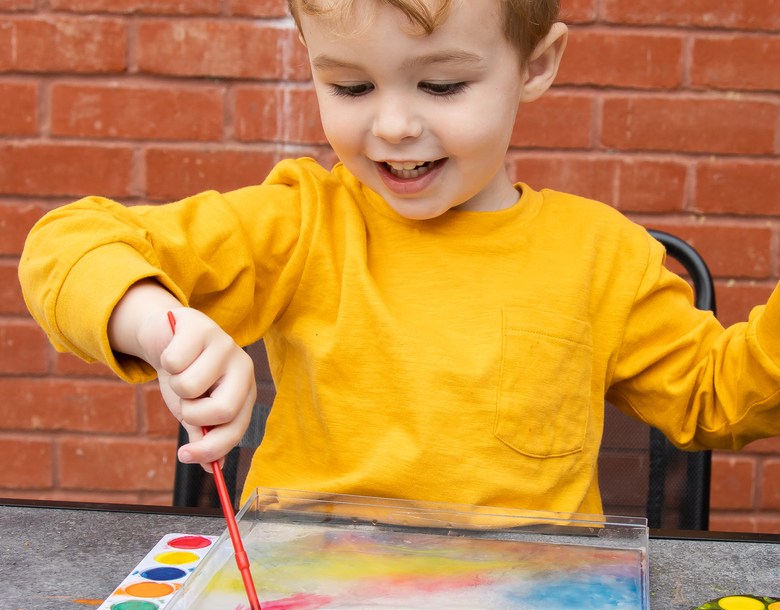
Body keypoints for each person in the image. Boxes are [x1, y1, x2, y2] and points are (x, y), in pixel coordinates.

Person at [19, 0, 780, 515]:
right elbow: (66, 246)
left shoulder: (601, 257)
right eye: (349, 85)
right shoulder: (301, 223)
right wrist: (160, 328)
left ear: (537, 64)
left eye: (443, 84)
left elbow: (720, 396)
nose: (390, 126)